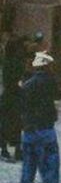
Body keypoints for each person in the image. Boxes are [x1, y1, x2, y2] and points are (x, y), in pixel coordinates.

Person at [20, 51, 61, 183]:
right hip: (45, 125)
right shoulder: (49, 81)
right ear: (47, 66)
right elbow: (58, 95)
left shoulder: (27, 83)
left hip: (29, 126)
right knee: (50, 156)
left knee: (29, 157)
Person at [1, 35, 28, 163]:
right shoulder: (16, 62)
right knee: (16, 123)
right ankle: (16, 149)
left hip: (8, 95)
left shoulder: (6, 62)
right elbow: (18, 79)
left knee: (6, 123)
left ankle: (5, 149)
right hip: (14, 95)